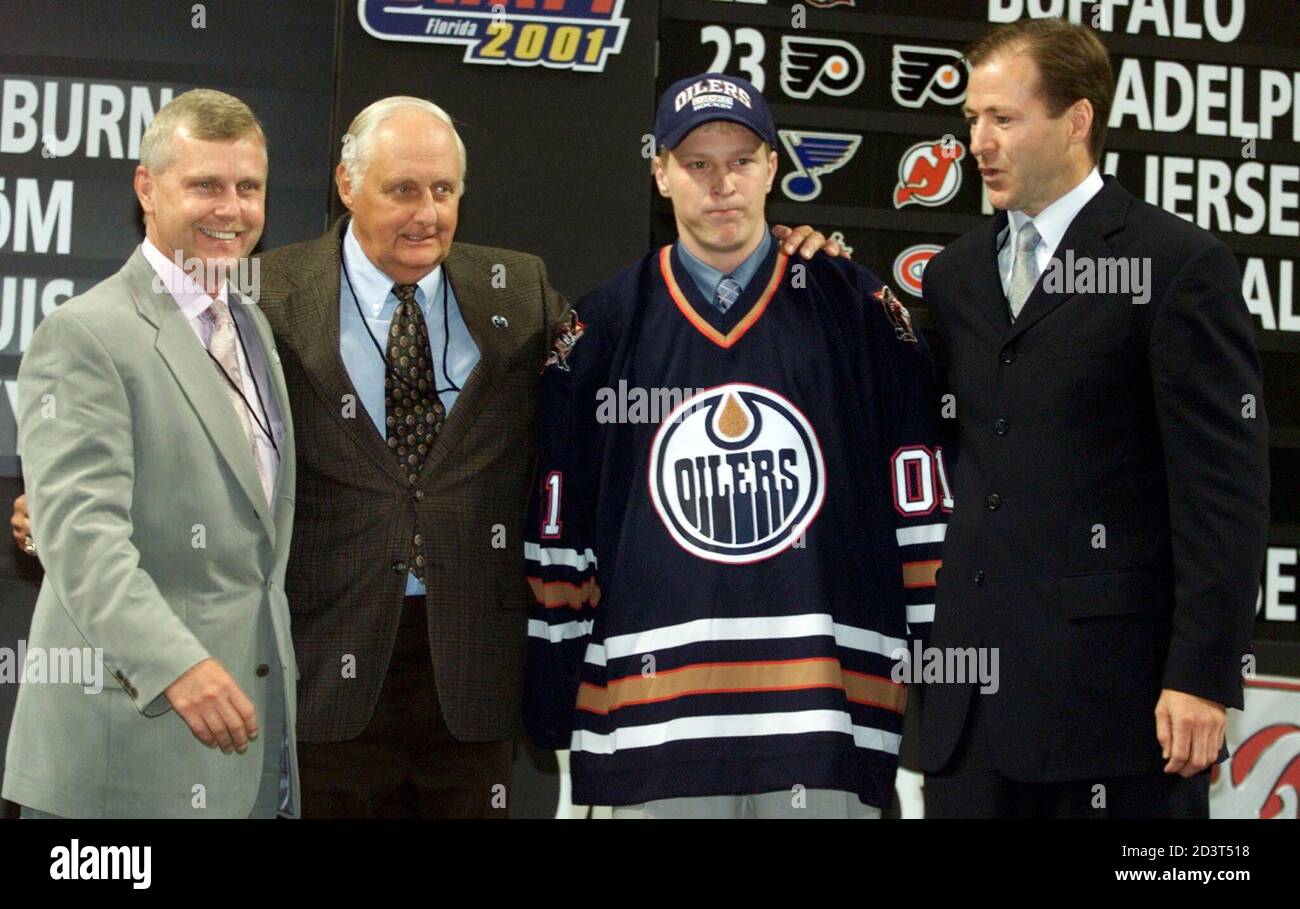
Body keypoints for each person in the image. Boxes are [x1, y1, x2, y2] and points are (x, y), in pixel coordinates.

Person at [247, 96, 840, 818]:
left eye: (443, 190)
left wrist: (769, 264)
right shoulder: (269, 295)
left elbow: (638, 369)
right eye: (403, 189)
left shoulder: (517, 290)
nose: (426, 213)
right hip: (323, 668)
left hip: (473, 680)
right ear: (346, 184)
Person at [523, 73, 946, 818]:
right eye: (697, 164)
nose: (722, 184)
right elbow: (561, 532)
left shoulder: (858, 310)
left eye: (741, 160)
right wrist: (553, 684)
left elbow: (922, 514)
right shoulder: (601, 328)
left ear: (774, 167)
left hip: (828, 729)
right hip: (653, 735)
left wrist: (941, 673)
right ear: (659, 172)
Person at [917, 18, 1270, 818]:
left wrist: (1202, 676)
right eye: (971, 119)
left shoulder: (1175, 266)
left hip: (1117, 717)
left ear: (1077, 121)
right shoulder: (955, 275)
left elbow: (1225, 496)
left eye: (1003, 118)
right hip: (968, 725)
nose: (978, 141)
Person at [3, 89, 299, 818]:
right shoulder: (86, 335)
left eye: (248, 187)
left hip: (253, 749)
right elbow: (80, 536)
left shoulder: (254, 328)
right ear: (147, 187)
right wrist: (179, 665)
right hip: (127, 760)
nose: (230, 208)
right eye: (204, 184)